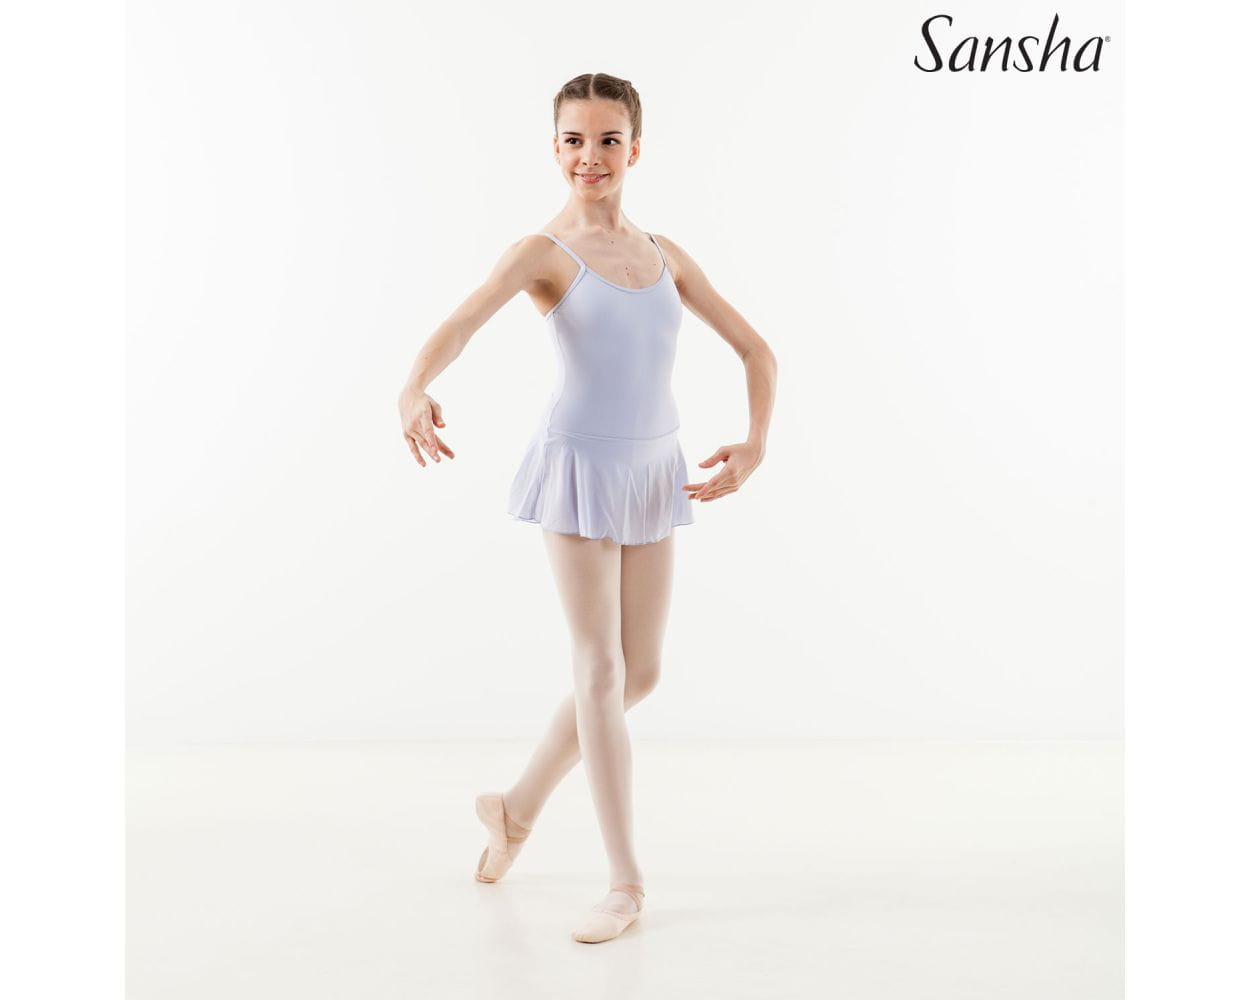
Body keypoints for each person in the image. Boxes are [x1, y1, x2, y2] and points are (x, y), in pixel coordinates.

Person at [396, 72, 778, 943]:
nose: (590, 157)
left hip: (652, 469)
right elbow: (462, 323)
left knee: (640, 674)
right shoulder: (542, 252)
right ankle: (624, 884)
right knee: (599, 670)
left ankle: (515, 807)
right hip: (578, 466)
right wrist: (415, 385)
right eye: (574, 140)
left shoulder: (665, 254)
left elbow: (758, 351)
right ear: (555, 149)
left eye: (608, 140)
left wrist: (755, 444)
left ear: (635, 148)